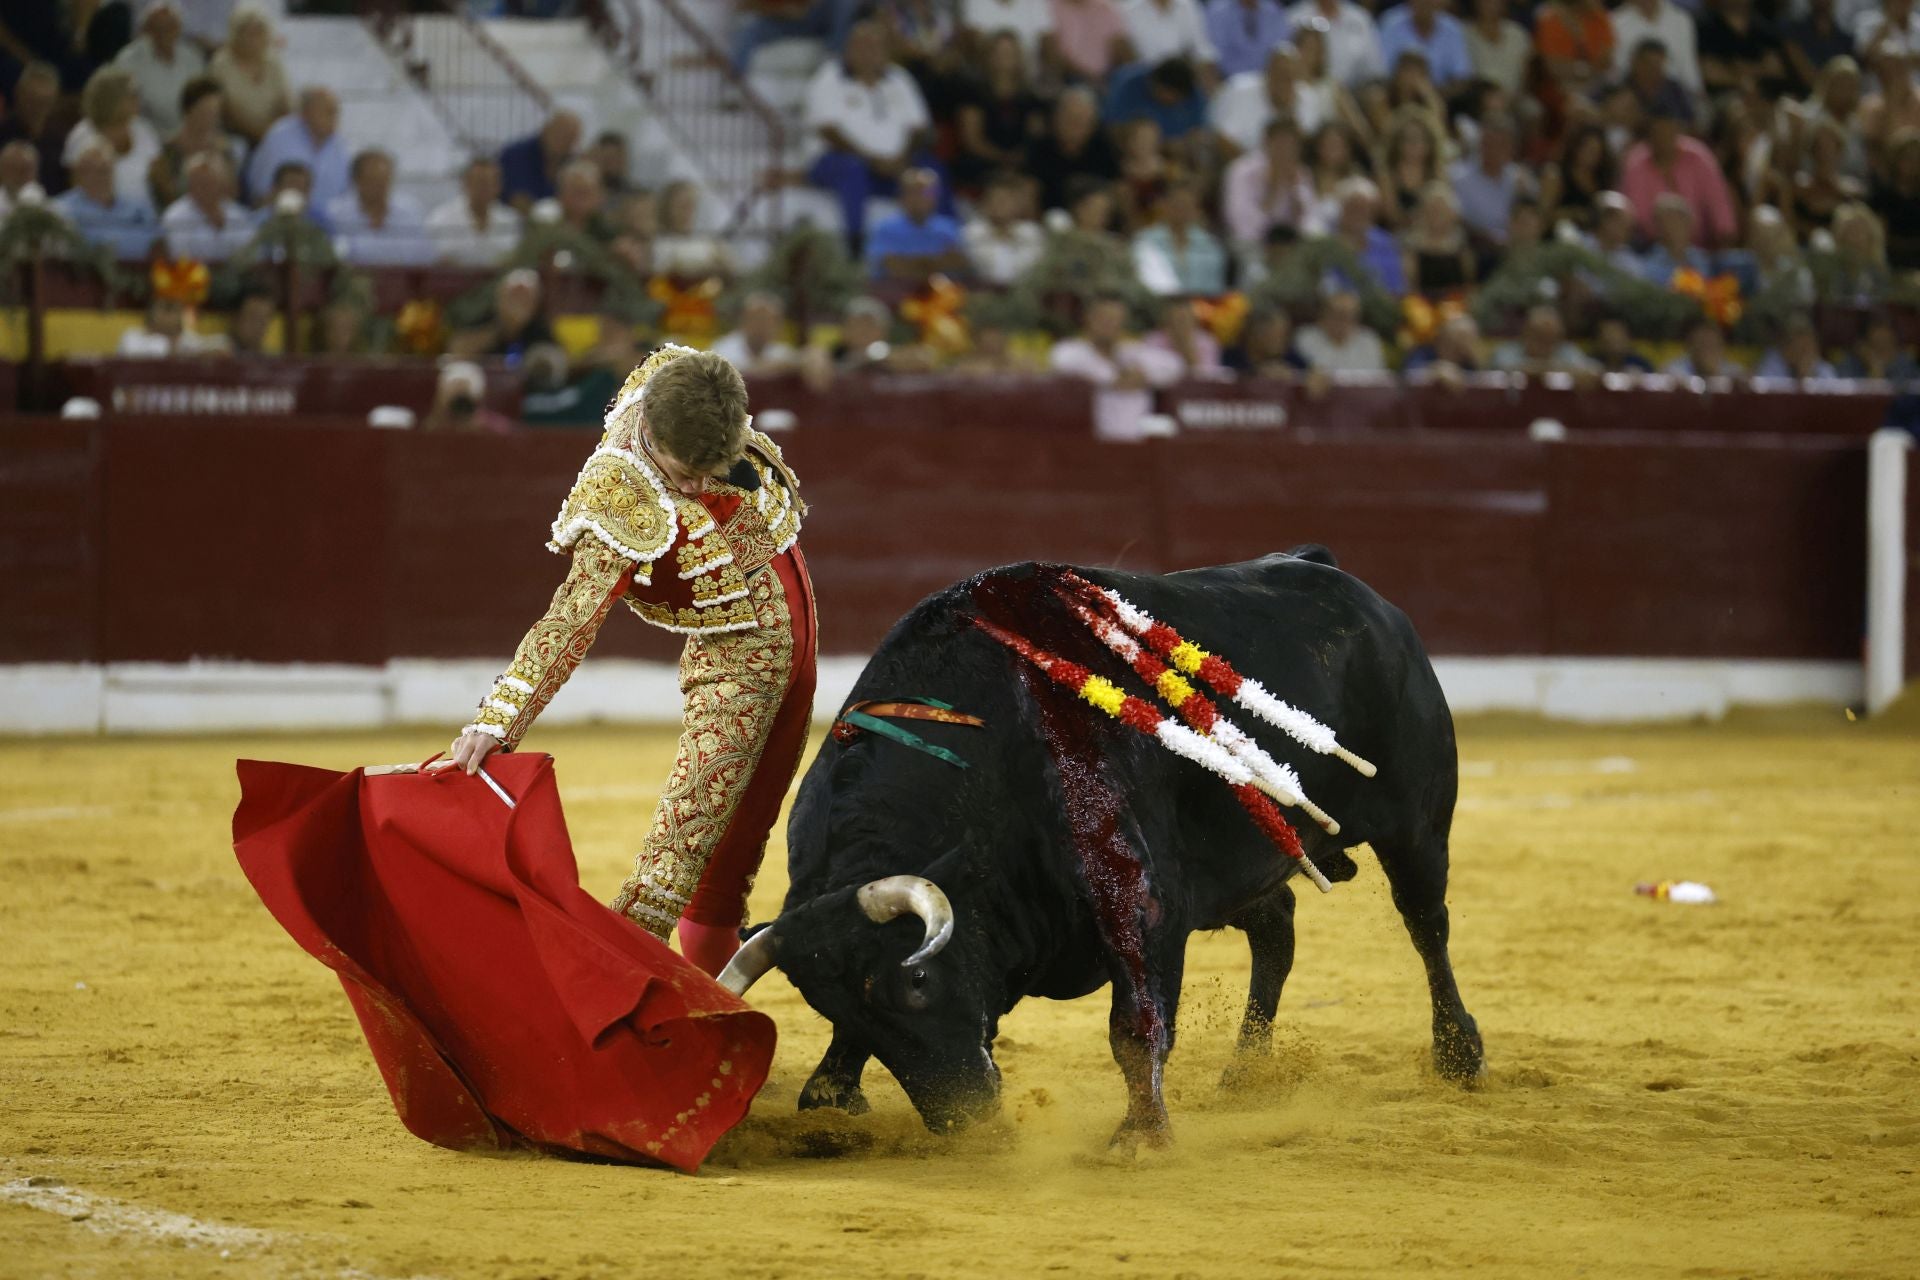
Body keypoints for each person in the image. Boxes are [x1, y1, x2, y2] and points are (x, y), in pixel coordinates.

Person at [447, 346, 816, 978]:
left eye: (713, 468)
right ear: (649, 429)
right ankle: (632, 997)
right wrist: (498, 720)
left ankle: (666, 982)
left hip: (774, 642)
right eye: (684, 470)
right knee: (699, 852)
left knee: (710, 846)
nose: (699, 486)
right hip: (754, 638)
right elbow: (571, 618)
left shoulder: (681, 378)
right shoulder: (621, 489)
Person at [803, 20, 942, 247]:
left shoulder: (900, 79)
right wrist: (871, 160)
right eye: (862, 46)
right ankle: (855, 244)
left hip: (896, 164)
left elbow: (919, 128)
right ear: (848, 49)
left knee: (932, 171)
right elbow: (828, 131)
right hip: (839, 162)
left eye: (876, 47)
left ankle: (944, 239)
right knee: (852, 170)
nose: (869, 53)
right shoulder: (829, 78)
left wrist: (902, 159)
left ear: (886, 51)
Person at [1049, 292, 1186, 439]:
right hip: (1092, 442)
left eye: (1115, 319)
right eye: (1104, 318)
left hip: (1137, 444)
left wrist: (1144, 376)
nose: (1109, 324)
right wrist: (1113, 378)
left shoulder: (1131, 351)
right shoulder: (1074, 350)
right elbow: (1062, 359)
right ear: (1088, 318)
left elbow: (1175, 365)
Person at [1619, 105, 1737, 246]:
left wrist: (1725, 238)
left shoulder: (1698, 157)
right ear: (1649, 134)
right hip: (1650, 250)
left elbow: (1720, 206)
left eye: (1669, 130)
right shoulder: (1636, 162)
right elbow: (1635, 217)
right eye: (1658, 131)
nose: (1663, 137)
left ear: (1678, 131)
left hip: (1699, 250)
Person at [952, 31, 1045, 193]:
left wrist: (1017, 160)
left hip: (1021, 165)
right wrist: (1004, 159)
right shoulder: (973, 94)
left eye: (1010, 53)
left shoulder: (1030, 98)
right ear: (988, 56)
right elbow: (972, 140)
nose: (1005, 58)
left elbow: (1035, 136)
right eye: (1000, 52)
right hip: (983, 164)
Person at [243, 87, 349, 221]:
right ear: (306, 112)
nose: (334, 118)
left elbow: (346, 193)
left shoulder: (339, 145)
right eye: (327, 112)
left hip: (326, 221)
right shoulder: (279, 137)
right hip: (280, 217)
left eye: (335, 112)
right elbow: (262, 191)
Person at [63, 66, 162, 208]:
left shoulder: (144, 130)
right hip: (96, 218)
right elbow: (77, 192)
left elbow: (163, 184)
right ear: (112, 97)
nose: (138, 97)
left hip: (141, 219)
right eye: (133, 93)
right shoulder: (81, 136)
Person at [1222, 116, 1318, 248]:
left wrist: (1294, 190)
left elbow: (1308, 221)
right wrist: (1273, 188)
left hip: (1291, 245)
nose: (1286, 149)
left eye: (1292, 143)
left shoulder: (1301, 173)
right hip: (1253, 244)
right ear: (1266, 141)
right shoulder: (1241, 171)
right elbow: (1240, 225)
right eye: (1281, 142)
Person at [113, 0, 206, 135]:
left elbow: (202, 100)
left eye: (171, 27)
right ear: (146, 30)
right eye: (158, 28)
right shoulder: (128, 60)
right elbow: (124, 108)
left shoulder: (192, 56)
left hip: (191, 134)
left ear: (179, 29)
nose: (165, 33)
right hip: (150, 136)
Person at [52, 138, 156, 257]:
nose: (101, 177)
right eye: (93, 170)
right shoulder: (61, 210)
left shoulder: (139, 208)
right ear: (79, 174)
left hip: (139, 271)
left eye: (105, 169)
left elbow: (158, 243)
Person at [327, 148, 431, 266]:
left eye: (385, 181)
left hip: (402, 280)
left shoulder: (410, 211)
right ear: (357, 181)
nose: (381, 188)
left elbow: (424, 256)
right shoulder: (336, 213)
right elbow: (335, 255)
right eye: (373, 181)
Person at [864, 167, 966, 284]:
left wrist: (912, 263)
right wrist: (934, 263)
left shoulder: (949, 227)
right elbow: (894, 267)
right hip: (894, 290)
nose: (920, 198)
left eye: (927, 192)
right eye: (913, 192)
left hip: (939, 292)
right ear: (901, 196)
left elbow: (957, 264)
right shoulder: (884, 228)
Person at [207, 4, 291, 145]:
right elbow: (228, 112)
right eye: (249, 33)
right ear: (236, 35)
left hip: (272, 133)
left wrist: (273, 133)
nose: (254, 39)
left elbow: (285, 104)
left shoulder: (273, 62)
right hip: (234, 134)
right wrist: (260, 135)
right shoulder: (221, 64)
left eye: (259, 32)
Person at [1029, 86, 1122, 213]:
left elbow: (1116, 187)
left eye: (1080, 121)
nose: (1073, 126)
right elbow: (1030, 189)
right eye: (1068, 118)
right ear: (1055, 119)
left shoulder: (1105, 147)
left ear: (1092, 124)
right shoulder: (1040, 147)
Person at [1448, 111, 1533, 245]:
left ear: (1511, 148)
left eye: (1501, 144)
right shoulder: (1457, 177)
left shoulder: (1520, 179)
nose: (1494, 150)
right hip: (1474, 248)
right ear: (1480, 144)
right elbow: (1454, 220)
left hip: (1513, 249)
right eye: (1488, 143)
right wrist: (1483, 237)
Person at [1133, 178, 1229, 293]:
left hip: (1200, 306)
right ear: (1164, 206)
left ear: (1197, 210)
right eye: (1176, 204)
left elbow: (1214, 289)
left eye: (1187, 206)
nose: (1181, 210)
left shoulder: (1210, 246)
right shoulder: (1144, 241)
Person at [426, 155, 523, 267]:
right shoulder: (440, 219)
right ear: (465, 183)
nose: (486, 188)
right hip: (453, 281)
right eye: (480, 182)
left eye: (491, 183)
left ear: (499, 186)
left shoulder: (511, 220)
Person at [0, 63, 77, 195]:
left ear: (54, 102)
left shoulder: (62, 139)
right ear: (18, 95)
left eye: (44, 102)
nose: (37, 109)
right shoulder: (3, 134)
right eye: (32, 100)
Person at [160, 148, 251, 260]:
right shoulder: (174, 216)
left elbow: (249, 255)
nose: (204, 188)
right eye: (199, 182)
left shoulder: (238, 214)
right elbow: (180, 257)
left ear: (220, 183)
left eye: (209, 181)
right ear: (189, 185)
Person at [449, 269, 556, 363]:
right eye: (514, 294)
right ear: (499, 297)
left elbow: (555, 361)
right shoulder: (480, 316)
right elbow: (456, 350)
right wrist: (501, 330)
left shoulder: (542, 329)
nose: (518, 302)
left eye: (525, 296)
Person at [963, 169, 1045, 285]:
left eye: (1005, 200)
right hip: (983, 294)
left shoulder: (1031, 233)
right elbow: (982, 269)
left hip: (1023, 294)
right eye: (995, 199)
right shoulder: (971, 232)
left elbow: (1032, 268)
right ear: (986, 203)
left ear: (1018, 205)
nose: (999, 205)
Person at [1103, 57, 1210, 144]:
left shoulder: (1194, 96)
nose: (1170, 101)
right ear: (1154, 82)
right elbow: (1112, 127)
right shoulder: (1128, 84)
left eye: (1176, 98)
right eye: (1166, 94)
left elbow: (1198, 134)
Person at [1377, 0, 1472, 95]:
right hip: (1396, 96)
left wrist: (1430, 94)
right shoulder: (1390, 22)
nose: (1425, 3)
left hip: (1443, 96)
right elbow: (1383, 72)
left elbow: (1461, 76)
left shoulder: (1453, 28)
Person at [1609, 0, 1702, 96]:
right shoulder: (1614, 22)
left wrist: (1697, 92)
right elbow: (1617, 71)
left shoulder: (1682, 20)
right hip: (1634, 93)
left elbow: (1688, 66)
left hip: (1675, 95)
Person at [499, 110, 582, 211]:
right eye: (560, 134)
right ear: (545, 129)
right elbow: (518, 200)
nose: (564, 142)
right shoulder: (515, 155)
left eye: (570, 138)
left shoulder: (574, 164)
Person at [1287, 0, 1382, 87]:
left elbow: (1374, 72)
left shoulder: (1360, 19)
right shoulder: (1295, 19)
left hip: (1354, 92)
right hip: (1306, 89)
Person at [652, 179, 732, 279]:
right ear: (668, 208)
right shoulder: (658, 243)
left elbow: (732, 271)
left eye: (692, 205)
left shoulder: (709, 242)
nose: (688, 212)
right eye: (682, 206)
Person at [710, 291, 800, 375]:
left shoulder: (782, 352)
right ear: (744, 321)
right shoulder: (722, 348)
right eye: (757, 319)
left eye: (768, 321)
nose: (762, 326)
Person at [1295, 288, 1385, 370]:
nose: (1343, 322)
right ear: (1323, 315)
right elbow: (1305, 374)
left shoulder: (1369, 340)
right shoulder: (1306, 337)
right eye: (1338, 315)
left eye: (1349, 316)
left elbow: (1377, 378)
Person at [1490, 303, 1597, 373]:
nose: (1546, 344)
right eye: (1539, 337)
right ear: (1525, 334)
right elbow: (1506, 368)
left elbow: (1592, 370)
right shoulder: (1507, 351)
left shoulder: (1567, 351)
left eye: (1552, 339)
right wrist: (1556, 369)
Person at [1204, 0, 1293, 79]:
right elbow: (1218, 55)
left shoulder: (1274, 10)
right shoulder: (1218, 11)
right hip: (1232, 83)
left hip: (1270, 83)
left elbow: (1282, 49)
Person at [1635, 191, 1712, 282]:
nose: (1675, 226)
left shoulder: (1702, 260)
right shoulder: (1647, 265)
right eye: (1668, 220)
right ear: (1658, 228)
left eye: (1680, 219)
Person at [116, 293, 227, 355]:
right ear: (151, 312)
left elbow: (219, 345)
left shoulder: (188, 339)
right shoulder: (132, 337)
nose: (169, 316)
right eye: (166, 308)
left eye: (175, 309)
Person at [1125, 0, 1221, 71]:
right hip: (1146, 80)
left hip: (1186, 77)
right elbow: (1130, 61)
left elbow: (1202, 48)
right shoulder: (1128, 12)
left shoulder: (1188, 6)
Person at [421, 361, 514, 434]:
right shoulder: (434, 426)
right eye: (453, 389)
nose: (460, 402)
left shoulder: (498, 428)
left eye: (464, 390)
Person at [1053, 0, 1135, 82]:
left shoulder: (1105, 7)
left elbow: (1121, 45)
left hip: (1108, 75)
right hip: (1068, 76)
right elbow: (1054, 53)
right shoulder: (1051, 8)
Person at [1142, 295, 1225, 375]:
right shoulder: (1153, 340)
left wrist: (1186, 346)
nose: (1178, 325)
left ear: (1192, 319)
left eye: (1183, 319)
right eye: (1174, 319)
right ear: (1166, 320)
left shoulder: (1207, 342)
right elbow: (1150, 373)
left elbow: (1206, 377)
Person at [1222, 306, 1307, 376]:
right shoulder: (1230, 355)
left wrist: (1294, 374)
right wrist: (1257, 373)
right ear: (1255, 333)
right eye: (1278, 335)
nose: (1283, 341)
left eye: (1286, 335)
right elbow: (1222, 374)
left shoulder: (1288, 355)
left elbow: (1308, 372)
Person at [1754, 315, 1838, 379]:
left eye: (1809, 342)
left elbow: (1832, 399)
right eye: (1799, 341)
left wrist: (1807, 377)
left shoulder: (1823, 368)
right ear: (1786, 344)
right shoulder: (1773, 361)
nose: (1806, 349)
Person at [1402, 310, 1483, 374]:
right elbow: (1410, 374)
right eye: (1457, 338)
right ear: (1441, 338)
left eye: (1468, 339)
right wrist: (1436, 370)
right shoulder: (1422, 353)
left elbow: (1479, 378)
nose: (1462, 345)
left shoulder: (1469, 361)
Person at [1665, 316, 1742, 377]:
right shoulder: (1674, 372)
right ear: (1690, 347)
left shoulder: (1734, 373)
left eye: (1713, 345)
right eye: (1703, 344)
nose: (1708, 351)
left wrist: (1714, 374)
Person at [227, 284, 275, 356]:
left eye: (263, 321)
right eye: (253, 318)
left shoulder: (269, 360)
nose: (258, 327)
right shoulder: (216, 354)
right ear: (235, 318)